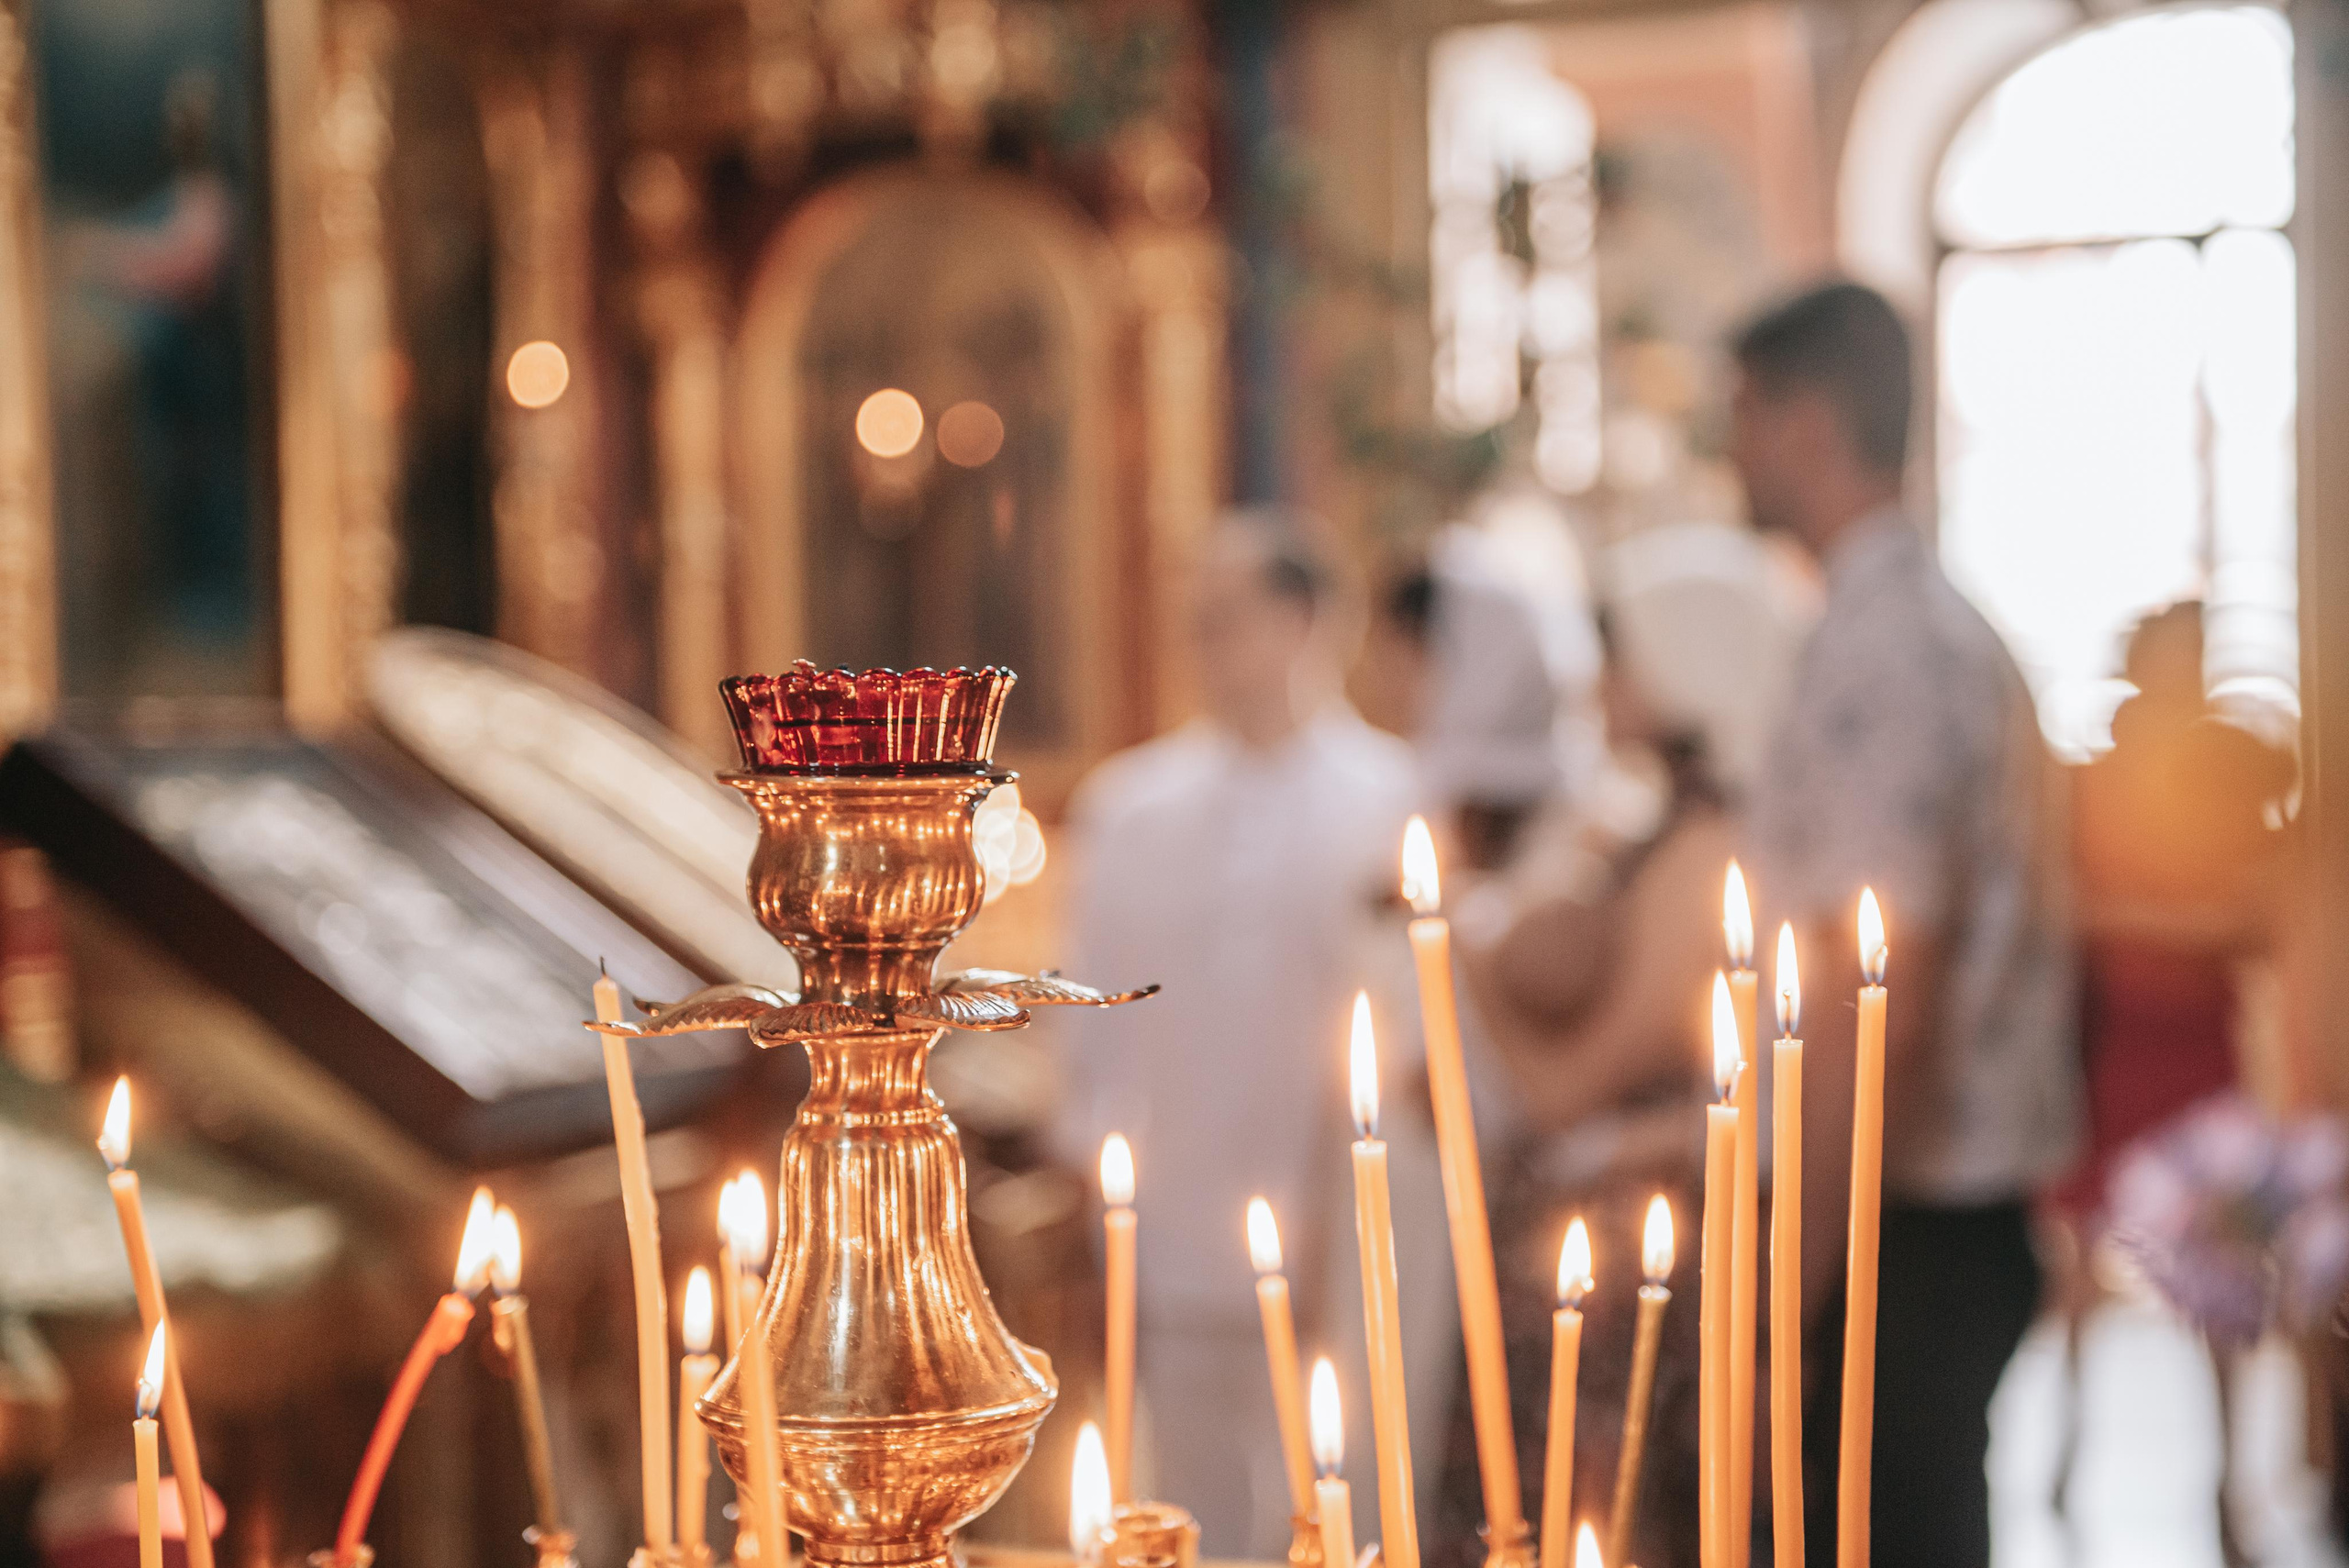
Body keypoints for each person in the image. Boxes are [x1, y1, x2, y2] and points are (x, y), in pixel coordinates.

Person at [1728, 282, 2080, 1568]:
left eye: (1744, 415)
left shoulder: (1892, 650)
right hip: (1904, 1217)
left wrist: (1790, 1278)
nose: (1734, 450)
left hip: (1900, 1230)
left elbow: (1886, 992)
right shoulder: (1901, 627)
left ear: (1809, 423)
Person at [1054, 513, 1426, 1559]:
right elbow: (1085, 1022)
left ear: (1302, 620)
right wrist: (1098, 1182)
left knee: (1336, 1500)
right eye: (1196, 621)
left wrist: (1340, 1198)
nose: (1206, 642)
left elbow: (1396, 1024)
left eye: (1230, 617)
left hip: (1336, 1225)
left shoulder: (1391, 796)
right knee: (1185, 1504)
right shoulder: (1128, 805)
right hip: (1169, 1221)